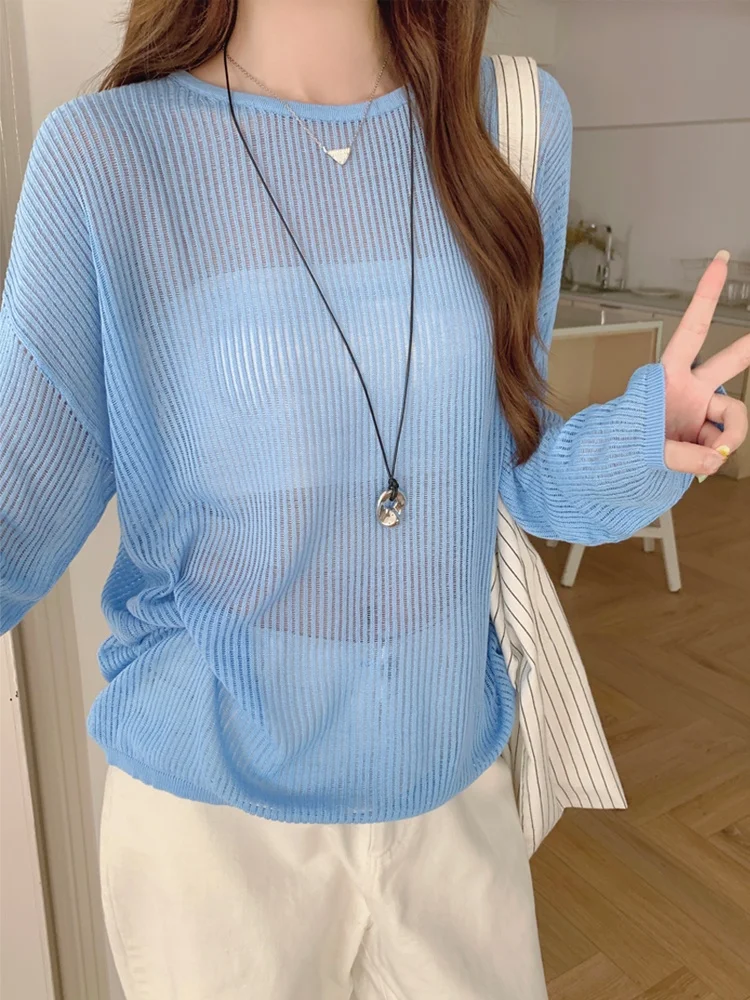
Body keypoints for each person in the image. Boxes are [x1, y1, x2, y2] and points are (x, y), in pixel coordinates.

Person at [1, 1, 748, 997]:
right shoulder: (107, 157)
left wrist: (638, 444)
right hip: (213, 832)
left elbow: (516, 468)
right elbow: (21, 510)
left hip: (450, 791)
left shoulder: (512, 122)